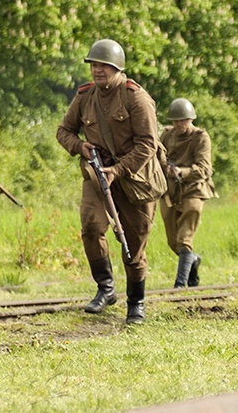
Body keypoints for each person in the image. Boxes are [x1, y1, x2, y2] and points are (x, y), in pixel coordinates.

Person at [56, 38, 160, 324]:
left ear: (117, 67)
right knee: (91, 226)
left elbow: (148, 144)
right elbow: (64, 131)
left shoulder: (135, 97)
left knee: (133, 242)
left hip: (135, 177)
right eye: (94, 65)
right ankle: (106, 287)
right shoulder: (85, 96)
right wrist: (80, 147)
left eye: (104, 66)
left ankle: (136, 302)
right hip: (98, 174)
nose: (97, 70)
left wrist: (120, 169)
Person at [159, 98, 216, 288]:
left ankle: (180, 284)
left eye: (183, 120)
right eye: (176, 121)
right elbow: (157, 157)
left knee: (185, 238)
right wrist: (164, 167)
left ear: (191, 119)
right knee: (173, 241)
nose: (179, 124)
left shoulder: (200, 137)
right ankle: (193, 260)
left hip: (194, 188)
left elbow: (204, 169)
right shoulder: (166, 135)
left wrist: (181, 172)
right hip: (170, 191)